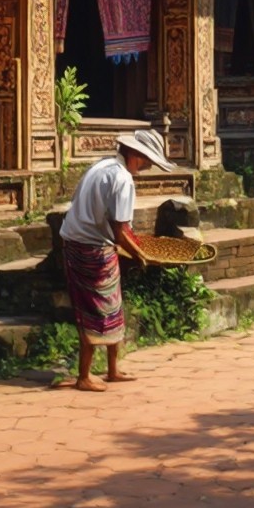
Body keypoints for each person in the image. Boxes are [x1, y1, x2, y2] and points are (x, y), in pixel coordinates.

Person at [59, 127, 173, 391]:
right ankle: (84, 376)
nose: (146, 167)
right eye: (147, 161)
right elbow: (121, 230)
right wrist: (144, 256)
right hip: (92, 247)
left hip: (79, 240)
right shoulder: (122, 179)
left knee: (113, 306)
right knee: (96, 311)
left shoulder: (101, 167)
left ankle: (112, 369)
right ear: (136, 155)